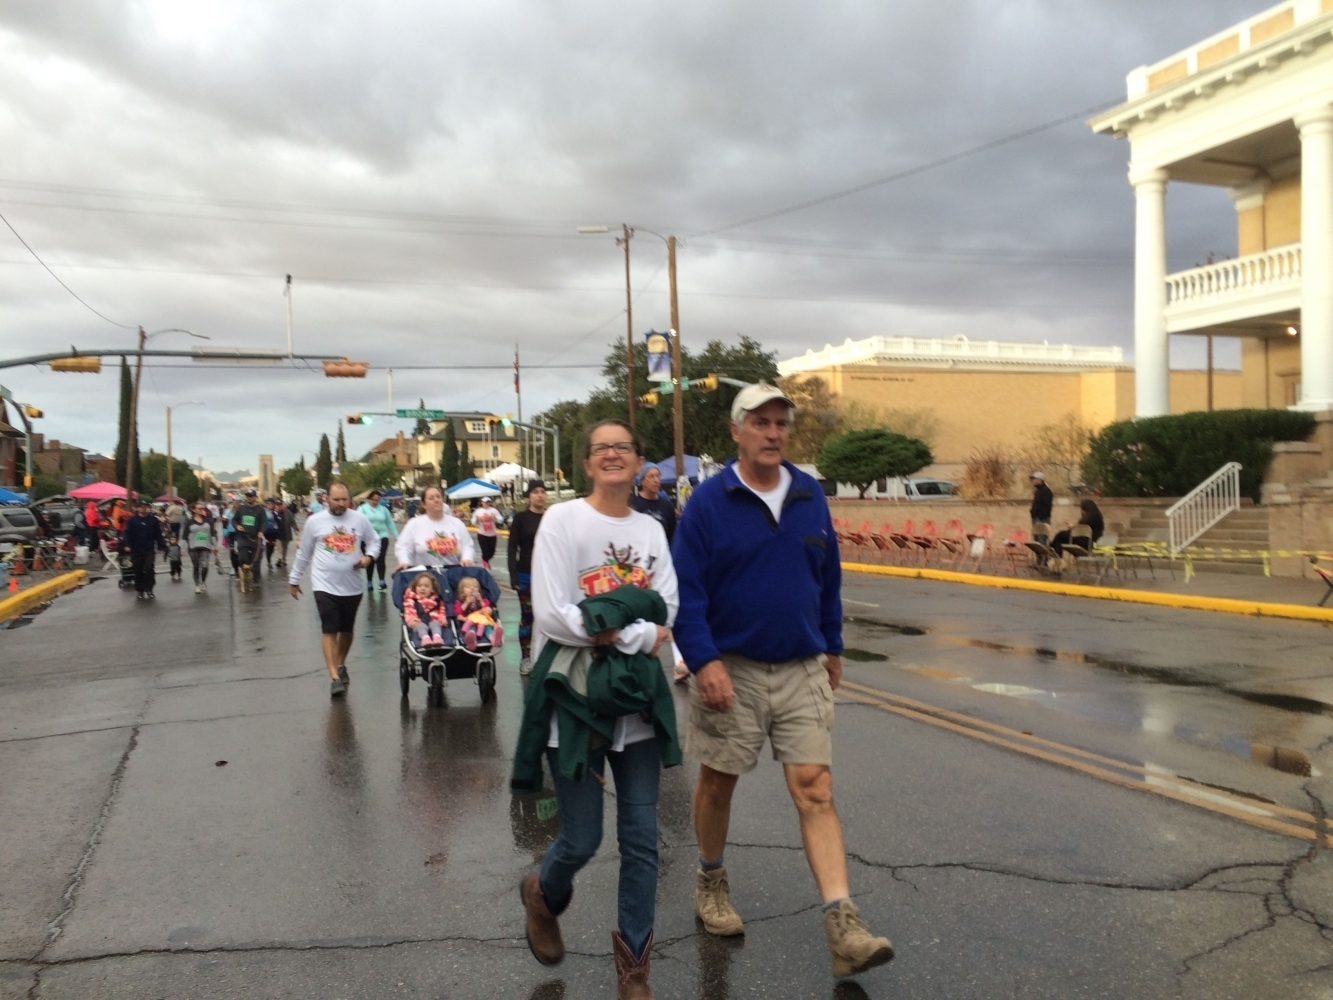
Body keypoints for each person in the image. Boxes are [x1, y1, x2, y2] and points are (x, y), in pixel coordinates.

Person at [673, 384, 894, 979]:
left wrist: (833, 643)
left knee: (815, 788)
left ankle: (843, 925)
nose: (773, 433)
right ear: (736, 431)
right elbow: (686, 593)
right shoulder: (708, 505)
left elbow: (827, 575)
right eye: (761, 423)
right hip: (730, 666)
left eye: (781, 424)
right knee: (718, 783)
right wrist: (704, 658)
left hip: (801, 664)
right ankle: (711, 880)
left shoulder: (808, 495)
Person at [512, 419, 678, 999]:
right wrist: (632, 629)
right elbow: (554, 616)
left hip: (636, 706)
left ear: (637, 460)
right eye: (601, 448)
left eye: (623, 447)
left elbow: (668, 609)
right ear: (585, 463)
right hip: (576, 705)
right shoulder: (562, 521)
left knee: (640, 841)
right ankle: (542, 892)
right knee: (581, 839)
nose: (612, 455)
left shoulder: (652, 529)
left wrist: (610, 624)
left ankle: (634, 968)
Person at [288, 482, 380, 698]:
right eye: (336, 499)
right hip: (324, 584)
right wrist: (294, 579)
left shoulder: (359, 519)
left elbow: (375, 542)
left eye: (344, 500)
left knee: (346, 630)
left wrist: (368, 557)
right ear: (326, 498)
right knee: (329, 628)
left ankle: (340, 664)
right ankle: (334, 678)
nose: (341, 504)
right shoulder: (315, 522)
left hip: (352, 586)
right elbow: (304, 553)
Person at [507, 479, 547, 675]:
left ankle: (546, 658)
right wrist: (513, 576)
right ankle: (526, 658)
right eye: (535, 492)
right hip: (526, 575)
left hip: (547, 576)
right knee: (528, 618)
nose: (540, 495)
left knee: (548, 618)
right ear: (529, 496)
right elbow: (512, 547)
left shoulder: (551, 518)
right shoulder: (521, 518)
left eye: (542, 491)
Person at [394, 485, 475, 573]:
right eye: (431, 498)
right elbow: (403, 547)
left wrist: (467, 558)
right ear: (424, 504)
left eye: (438, 497)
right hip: (425, 577)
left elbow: (467, 546)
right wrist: (404, 561)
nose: (436, 500)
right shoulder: (414, 524)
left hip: (453, 574)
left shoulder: (457, 523)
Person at [120, 499, 166, 600]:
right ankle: (140, 590)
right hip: (136, 549)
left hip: (149, 549)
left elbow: (158, 534)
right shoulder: (132, 521)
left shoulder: (153, 520)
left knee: (149, 568)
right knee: (138, 570)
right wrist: (127, 544)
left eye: (145, 506)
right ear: (137, 508)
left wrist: (161, 546)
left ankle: (149, 589)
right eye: (141, 506)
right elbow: (127, 534)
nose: (143, 508)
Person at [357, 489, 399, 591]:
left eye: (378, 500)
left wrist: (398, 537)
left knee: (380, 558)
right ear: (369, 499)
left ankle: (382, 580)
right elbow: (356, 523)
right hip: (367, 539)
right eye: (374, 500)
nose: (375, 502)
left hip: (382, 536)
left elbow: (390, 523)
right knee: (370, 559)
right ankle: (370, 581)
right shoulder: (362, 509)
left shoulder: (383, 509)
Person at [629, 463, 676, 545]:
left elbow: (673, 537)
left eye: (658, 476)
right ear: (642, 481)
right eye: (651, 476)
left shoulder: (667, 506)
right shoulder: (633, 505)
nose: (656, 480)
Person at [233, 489, 268, 591]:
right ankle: (245, 574)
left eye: (251, 496)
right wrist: (237, 526)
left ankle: (256, 580)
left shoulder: (260, 509)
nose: (249, 498)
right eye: (247, 496)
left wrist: (261, 531)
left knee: (256, 561)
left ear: (255, 497)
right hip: (243, 538)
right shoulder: (241, 508)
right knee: (243, 558)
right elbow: (234, 520)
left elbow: (264, 522)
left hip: (256, 539)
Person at [454, 576, 501, 650]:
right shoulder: (459, 602)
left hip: (483, 621)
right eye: (468, 587)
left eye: (475, 587)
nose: (472, 588)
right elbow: (458, 612)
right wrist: (466, 602)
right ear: (462, 591)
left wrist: (481, 601)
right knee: (471, 630)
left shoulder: (483, 600)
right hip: (469, 622)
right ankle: (471, 640)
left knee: (488, 628)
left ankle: (494, 639)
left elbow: (487, 608)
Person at [403, 572, 449, 648]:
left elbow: (442, 611)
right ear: (415, 587)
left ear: (432, 590)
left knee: (435, 624)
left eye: (426, 586)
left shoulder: (436, 601)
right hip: (418, 622)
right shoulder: (411, 600)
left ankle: (437, 637)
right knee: (421, 626)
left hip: (433, 621)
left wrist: (442, 619)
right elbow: (408, 611)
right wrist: (411, 620)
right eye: (419, 586)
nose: (423, 588)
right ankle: (425, 638)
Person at [184, 503, 217, 593]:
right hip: (193, 547)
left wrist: (214, 546)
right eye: (198, 508)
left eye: (202, 508)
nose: (201, 510)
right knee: (196, 566)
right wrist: (182, 548)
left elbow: (212, 534)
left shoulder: (208, 521)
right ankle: (197, 585)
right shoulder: (189, 522)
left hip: (205, 546)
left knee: (205, 566)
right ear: (194, 510)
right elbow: (184, 536)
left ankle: (203, 581)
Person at [471, 496, 505, 568]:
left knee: (492, 552)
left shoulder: (494, 511)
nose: (486, 504)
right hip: (482, 534)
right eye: (485, 502)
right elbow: (473, 521)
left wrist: (494, 517)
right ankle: (485, 564)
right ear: (482, 503)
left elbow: (501, 519)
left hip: (492, 534)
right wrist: (478, 519)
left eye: (488, 502)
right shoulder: (478, 511)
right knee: (485, 551)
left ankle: (485, 559)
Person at [1029, 472, 1054, 546]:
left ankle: (1044, 557)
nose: (1033, 481)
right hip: (1036, 519)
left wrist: (1040, 517)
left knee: (1041, 541)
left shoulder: (1046, 491)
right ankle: (1039, 557)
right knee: (1037, 542)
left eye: (1035, 479)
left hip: (1042, 519)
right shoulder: (1038, 491)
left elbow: (1047, 506)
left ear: (1040, 480)